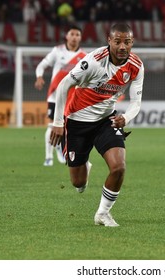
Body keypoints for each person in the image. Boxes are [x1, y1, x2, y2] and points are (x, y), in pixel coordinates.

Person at [49, 23, 144, 227]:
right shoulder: (92, 61)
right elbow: (64, 85)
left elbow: (136, 102)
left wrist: (125, 118)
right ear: (109, 41)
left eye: (126, 42)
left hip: (106, 120)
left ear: (132, 42)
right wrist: (58, 123)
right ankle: (84, 165)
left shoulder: (136, 66)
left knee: (119, 167)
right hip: (76, 123)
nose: (122, 46)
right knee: (78, 183)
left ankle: (102, 213)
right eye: (117, 41)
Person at [34, 25, 86, 167]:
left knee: (66, 127)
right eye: (72, 34)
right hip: (55, 95)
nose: (74, 37)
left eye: (77, 35)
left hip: (72, 98)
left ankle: (60, 150)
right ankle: (48, 157)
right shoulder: (57, 51)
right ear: (67, 36)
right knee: (52, 125)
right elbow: (41, 65)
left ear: (80, 38)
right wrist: (39, 77)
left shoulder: (84, 57)